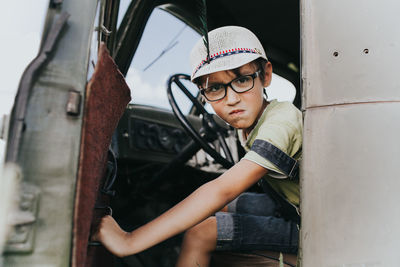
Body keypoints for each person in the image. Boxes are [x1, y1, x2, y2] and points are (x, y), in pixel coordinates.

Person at [93, 26, 302, 267]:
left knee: (201, 234)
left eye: (242, 80)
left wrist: (129, 240)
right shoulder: (251, 120)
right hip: (286, 205)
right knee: (222, 209)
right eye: (215, 88)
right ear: (203, 93)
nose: (232, 99)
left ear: (265, 75)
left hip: (315, 222)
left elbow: (222, 189)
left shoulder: (281, 121)